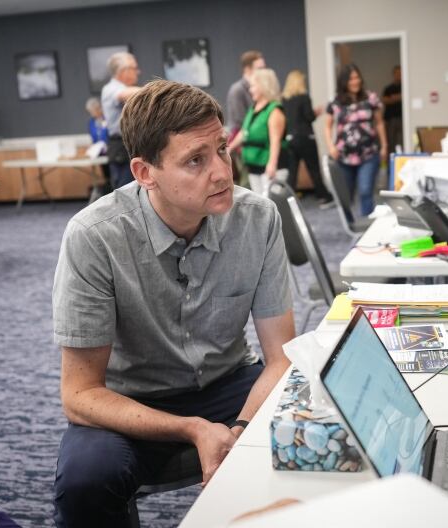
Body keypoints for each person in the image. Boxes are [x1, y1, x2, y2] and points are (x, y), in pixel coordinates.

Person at [52, 79, 295, 526]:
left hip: (229, 384)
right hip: (131, 400)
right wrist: (191, 428)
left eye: (221, 149)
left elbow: (281, 357)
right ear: (145, 173)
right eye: (195, 161)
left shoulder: (257, 219)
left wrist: (239, 429)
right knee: (85, 482)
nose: (222, 172)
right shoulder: (94, 237)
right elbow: (80, 394)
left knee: (318, 428)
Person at [324, 64, 387, 217]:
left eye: (357, 77)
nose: (355, 81)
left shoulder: (370, 98)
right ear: (344, 81)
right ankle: (350, 225)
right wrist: (331, 147)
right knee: (346, 195)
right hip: (343, 156)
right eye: (351, 78)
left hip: (369, 154)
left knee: (366, 191)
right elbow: (327, 126)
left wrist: (385, 145)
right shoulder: (335, 101)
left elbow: (379, 123)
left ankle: (368, 227)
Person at [228, 68, 288, 196]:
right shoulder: (253, 108)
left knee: (272, 205)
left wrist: (272, 164)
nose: (250, 90)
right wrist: (229, 148)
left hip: (270, 167)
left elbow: (275, 140)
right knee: (261, 204)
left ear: (263, 86)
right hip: (254, 165)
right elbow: (244, 132)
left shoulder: (274, 110)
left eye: (253, 86)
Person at [281, 69, 333, 205]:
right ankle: (324, 197)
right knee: (314, 169)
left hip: (291, 138)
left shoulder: (284, 99)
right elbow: (308, 117)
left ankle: (286, 199)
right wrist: (316, 113)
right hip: (306, 138)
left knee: (292, 172)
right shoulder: (304, 97)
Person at [101, 51, 142, 189]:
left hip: (131, 144)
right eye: (134, 68)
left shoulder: (124, 88)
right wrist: (158, 90)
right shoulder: (110, 89)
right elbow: (125, 94)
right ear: (124, 71)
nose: (138, 72)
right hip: (121, 147)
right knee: (125, 192)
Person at [226, 50, 266, 185]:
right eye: (259, 68)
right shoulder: (237, 89)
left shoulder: (260, 88)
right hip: (242, 143)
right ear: (248, 69)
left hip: (254, 143)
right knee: (248, 184)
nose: (264, 71)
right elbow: (241, 122)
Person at [84, 97, 111, 192]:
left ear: (98, 108)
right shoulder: (91, 121)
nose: (91, 113)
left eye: (92, 111)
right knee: (106, 174)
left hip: (111, 151)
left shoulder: (108, 118)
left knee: (113, 174)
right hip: (99, 153)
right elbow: (93, 136)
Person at [381, 65, 403, 154]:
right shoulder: (388, 88)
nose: (399, 75)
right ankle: (391, 163)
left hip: (402, 118)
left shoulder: (405, 87)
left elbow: (404, 97)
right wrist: (398, 97)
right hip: (390, 119)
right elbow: (384, 100)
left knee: (401, 141)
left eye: (400, 73)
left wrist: (394, 98)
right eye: (397, 73)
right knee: (391, 141)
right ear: (394, 74)